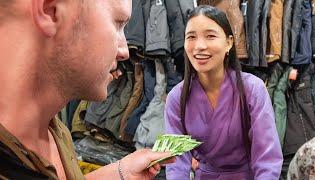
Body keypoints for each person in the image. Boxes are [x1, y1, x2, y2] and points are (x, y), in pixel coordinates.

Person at [0, 0, 174, 179]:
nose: (125, 51)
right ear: (51, 11)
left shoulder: (53, 130)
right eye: (118, 23)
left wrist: (121, 171)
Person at [164, 5, 283, 179]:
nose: (199, 46)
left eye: (210, 36)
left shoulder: (252, 89)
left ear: (229, 43)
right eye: (191, 37)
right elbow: (176, 163)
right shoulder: (177, 97)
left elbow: (267, 157)